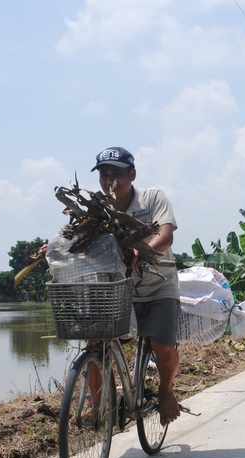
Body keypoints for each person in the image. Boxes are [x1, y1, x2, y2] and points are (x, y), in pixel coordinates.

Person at [91, 146, 182, 426]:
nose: (110, 181)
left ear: (131, 174)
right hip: (119, 288)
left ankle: (166, 392)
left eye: (116, 174)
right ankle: (99, 408)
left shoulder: (153, 198)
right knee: (94, 343)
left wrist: (139, 253)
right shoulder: (98, 207)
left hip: (158, 285)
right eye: (104, 175)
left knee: (161, 345)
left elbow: (165, 235)